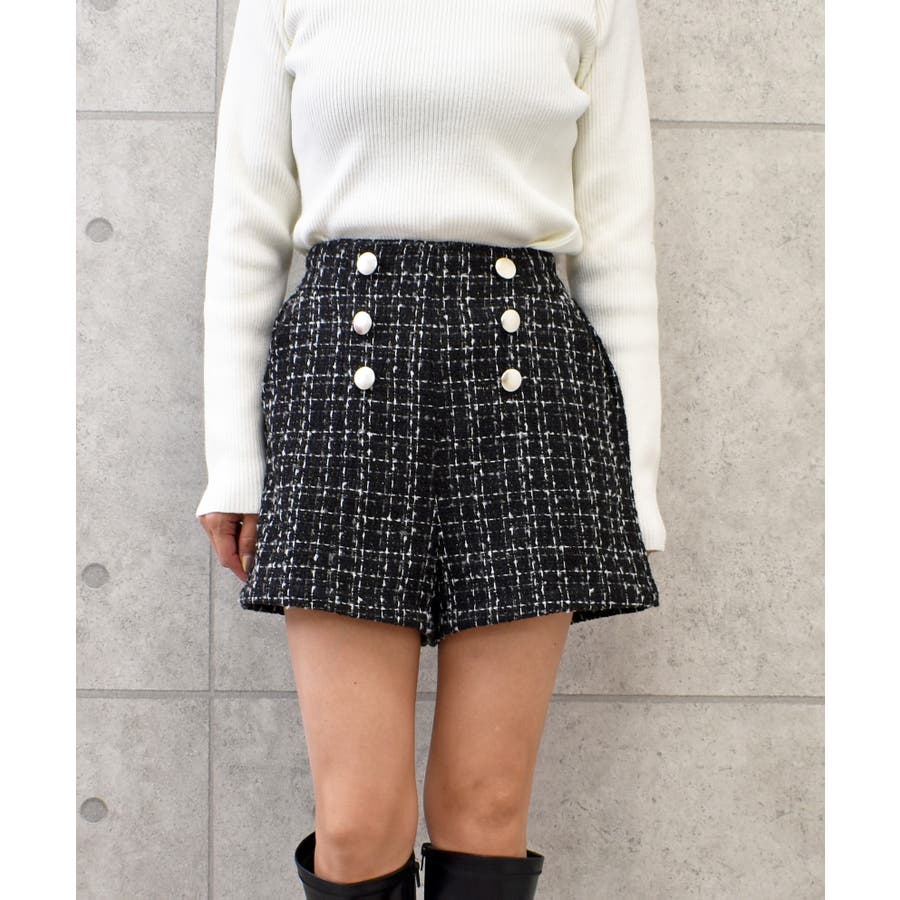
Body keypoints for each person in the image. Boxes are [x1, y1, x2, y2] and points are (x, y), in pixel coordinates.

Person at [196, 1, 666, 897]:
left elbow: (618, 249)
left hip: (530, 385)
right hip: (340, 383)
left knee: (487, 806)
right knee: (356, 822)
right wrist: (234, 464)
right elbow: (244, 230)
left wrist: (632, 485)